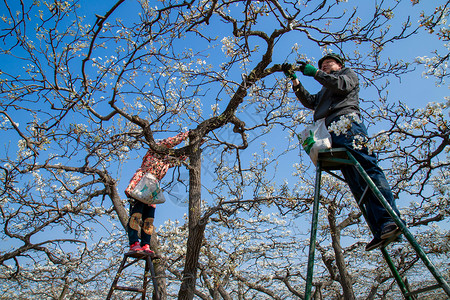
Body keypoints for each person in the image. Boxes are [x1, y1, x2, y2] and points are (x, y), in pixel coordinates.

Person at [282, 54, 403, 251]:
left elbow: (341, 85)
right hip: (329, 132)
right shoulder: (323, 91)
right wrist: (294, 79)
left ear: (339, 65)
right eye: (322, 64)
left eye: (329, 63)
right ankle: (379, 229)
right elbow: (310, 101)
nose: (324, 65)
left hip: (347, 124)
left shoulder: (347, 75)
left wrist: (316, 72)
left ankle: (390, 220)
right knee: (356, 183)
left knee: (367, 169)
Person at [124, 131, 189, 254]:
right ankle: (134, 243)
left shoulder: (166, 161)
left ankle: (145, 244)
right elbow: (170, 142)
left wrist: (197, 144)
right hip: (141, 184)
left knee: (149, 219)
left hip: (152, 189)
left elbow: (180, 157)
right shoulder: (153, 151)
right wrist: (186, 134)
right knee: (136, 215)